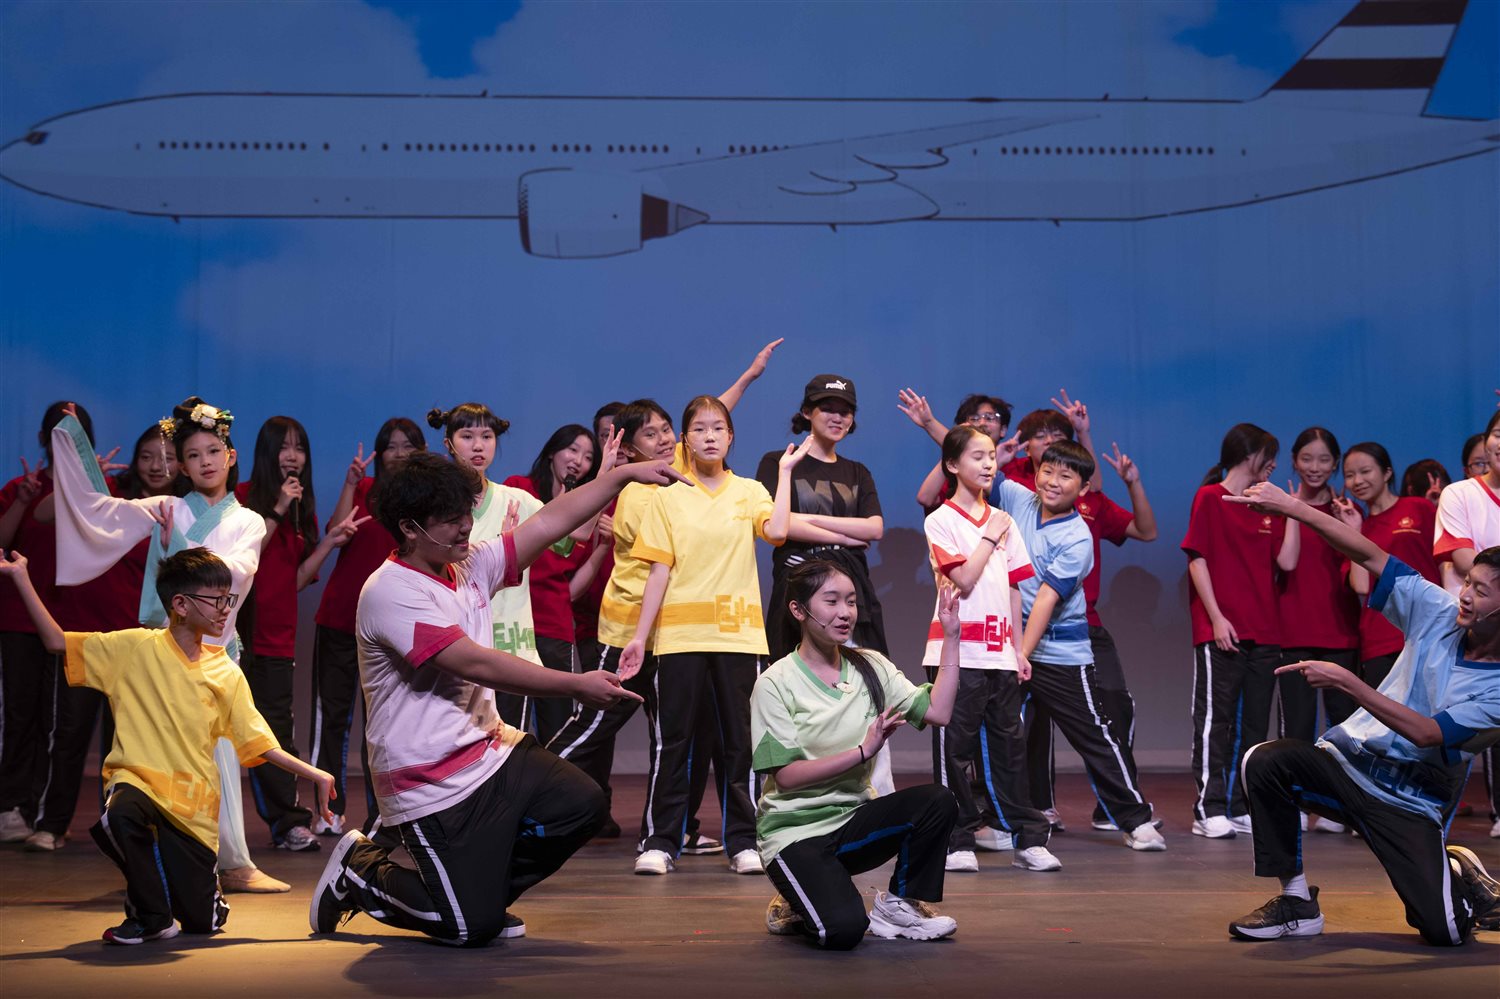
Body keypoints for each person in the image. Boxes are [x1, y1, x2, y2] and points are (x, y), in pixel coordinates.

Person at [308, 450, 681, 947]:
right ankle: (360, 872)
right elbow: (474, 663)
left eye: (466, 513)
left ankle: (477, 897)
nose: (466, 526)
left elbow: (547, 522)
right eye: (450, 520)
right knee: (467, 928)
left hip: (490, 751)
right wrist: (575, 683)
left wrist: (624, 476)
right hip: (428, 779)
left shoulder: (467, 564)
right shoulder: (390, 591)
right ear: (410, 528)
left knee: (581, 805)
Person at [0, 547, 335, 945]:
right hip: (137, 782)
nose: (225, 610)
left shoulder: (225, 672)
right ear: (180, 604)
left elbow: (259, 743)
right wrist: (20, 576)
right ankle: (151, 915)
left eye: (228, 599)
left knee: (200, 924)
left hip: (192, 810)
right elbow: (57, 641)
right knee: (118, 816)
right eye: (216, 600)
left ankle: (200, 901)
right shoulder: (133, 647)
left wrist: (316, 774)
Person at [1221, 481, 1500, 946]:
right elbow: (1369, 554)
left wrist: (1348, 681)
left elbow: (1428, 734)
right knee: (1264, 761)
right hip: (1349, 765)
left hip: (1410, 801)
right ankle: (1296, 902)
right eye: (1468, 582)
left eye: (1482, 591)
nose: (1466, 595)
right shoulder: (1439, 611)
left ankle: (1456, 872)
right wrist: (1291, 507)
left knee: (1446, 932)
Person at [48, 398, 288, 892]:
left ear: (232, 456)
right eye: (193, 455)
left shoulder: (249, 520)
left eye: (213, 451)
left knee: (220, 755)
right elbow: (101, 514)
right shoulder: (169, 508)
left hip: (214, 651)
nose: (205, 461)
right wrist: (73, 445)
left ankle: (234, 862)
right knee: (163, 754)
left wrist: (176, 549)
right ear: (180, 465)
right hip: (164, 652)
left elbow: (237, 571)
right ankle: (172, 859)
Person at [620, 395, 799, 876]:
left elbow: (778, 531)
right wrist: (639, 637)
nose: (709, 436)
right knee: (674, 743)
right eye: (699, 429)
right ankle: (660, 841)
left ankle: (744, 840)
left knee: (741, 742)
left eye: (718, 428)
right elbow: (659, 571)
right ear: (685, 440)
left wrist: (784, 475)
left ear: (731, 436)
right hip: (679, 639)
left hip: (739, 638)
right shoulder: (667, 496)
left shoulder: (749, 491)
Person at [754, 560, 964, 949]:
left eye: (850, 601)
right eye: (831, 601)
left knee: (937, 801)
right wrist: (863, 751)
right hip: (794, 834)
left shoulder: (870, 667)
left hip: (852, 822)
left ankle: (900, 905)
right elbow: (786, 776)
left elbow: (939, 712)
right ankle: (797, 895)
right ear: (799, 610)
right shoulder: (775, 683)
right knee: (844, 930)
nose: (845, 612)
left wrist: (951, 638)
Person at [991, 439, 1166, 851]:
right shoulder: (1018, 499)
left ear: (1083, 488)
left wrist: (1022, 654)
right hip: (1012, 648)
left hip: (1059, 654)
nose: (1053, 481)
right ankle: (1000, 821)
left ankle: (1135, 819)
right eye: (1047, 471)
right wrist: (935, 426)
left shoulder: (1078, 538)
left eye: (1065, 476)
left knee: (1095, 735)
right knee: (1000, 734)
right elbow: (969, 461)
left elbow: (1046, 599)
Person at [923, 424, 1056, 873]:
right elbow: (962, 579)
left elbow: (1015, 589)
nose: (988, 465)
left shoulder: (1003, 521)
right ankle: (956, 837)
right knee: (955, 751)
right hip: (956, 653)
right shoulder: (940, 520)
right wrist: (988, 535)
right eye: (977, 456)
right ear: (952, 465)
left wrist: (1018, 649)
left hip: (999, 652)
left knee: (1009, 749)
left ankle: (1027, 838)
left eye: (992, 457)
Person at [237, 416, 367, 852]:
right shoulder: (242, 499)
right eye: (284, 446)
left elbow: (294, 580)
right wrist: (276, 508)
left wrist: (328, 542)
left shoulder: (299, 509)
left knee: (274, 734)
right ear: (266, 452)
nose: (293, 456)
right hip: (238, 633)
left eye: (300, 448)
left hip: (278, 636)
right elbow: (245, 557)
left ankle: (288, 823)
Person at [0, 402, 111, 848]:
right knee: (19, 716)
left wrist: (91, 483)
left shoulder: (99, 490)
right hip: (19, 619)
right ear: (45, 439)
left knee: (57, 724)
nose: (68, 438)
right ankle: (11, 807)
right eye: (60, 431)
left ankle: (43, 812)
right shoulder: (22, 487)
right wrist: (22, 501)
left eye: (77, 431)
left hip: (71, 623)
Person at [1181, 423, 1300, 839]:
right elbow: (1197, 559)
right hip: (1222, 628)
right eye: (1269, 456)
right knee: (1215, 721)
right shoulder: (1210, 497)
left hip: (1264, 630)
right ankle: (1208, 808)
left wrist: (1291, 510)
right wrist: (1216, 617)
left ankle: (1238, 805)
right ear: (1249, 455)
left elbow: (1286, 562)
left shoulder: (1265, 507)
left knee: (1253, 725)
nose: (1273, 465)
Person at [309, 417, 426, 837]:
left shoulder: (424, 499)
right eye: (391, 446)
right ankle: (328, 811)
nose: (399, 453)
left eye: (408, 445)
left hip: (393, 629)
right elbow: (334, 532)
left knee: (385, 725)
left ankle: (384, 815)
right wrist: (349, 483)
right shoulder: (364, 490)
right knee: (332, 718)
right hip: (341, 619)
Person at [503, 424, 607, 744]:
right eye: (572, 450)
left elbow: (573, 589)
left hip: (555, 628)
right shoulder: (518, 490)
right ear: (552, 452)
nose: (578, 461)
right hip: (513, 627)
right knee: (509, 727)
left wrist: (603, 546)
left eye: (588, 457)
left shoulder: (583, 517)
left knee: (558, 725)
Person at [1434, 410, 1500, 839]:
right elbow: (1465, 561)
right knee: (1459, 736)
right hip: (1472, 634)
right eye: (1498, 433)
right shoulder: (1460, 494)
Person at [1275, 429, 1360, 750]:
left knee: (1346, 729)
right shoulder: (1280, 509)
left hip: (1341, 632)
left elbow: (1360, 573)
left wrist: (1348, 526)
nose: (1315, 467)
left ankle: (1341, 785)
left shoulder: (1348, 511)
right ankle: (1296, 785)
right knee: (1296, 730)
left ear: (1335, 463)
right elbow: (1287, 562)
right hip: (1294, 633)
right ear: (1294, 461)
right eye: (1306, 459)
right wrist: (1294, 509)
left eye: (1324, 460)